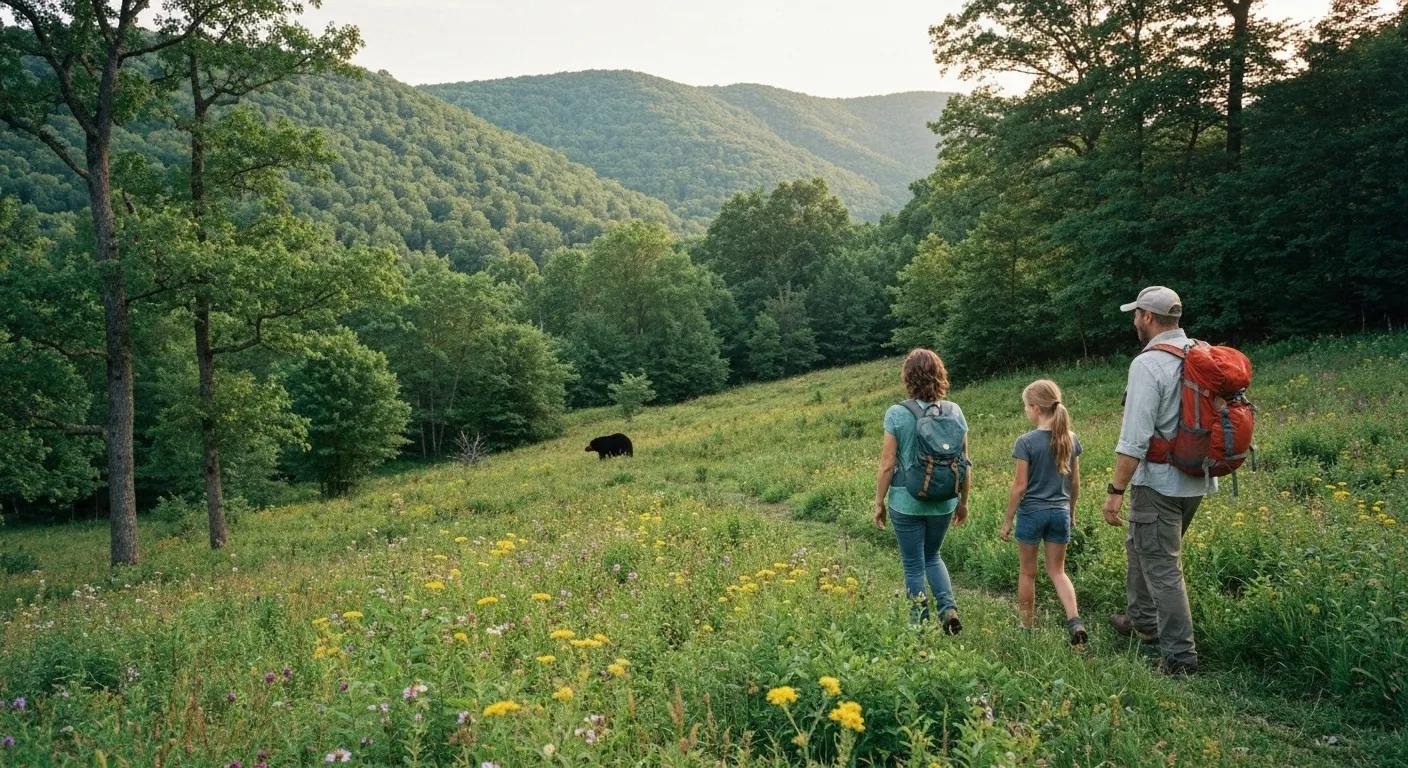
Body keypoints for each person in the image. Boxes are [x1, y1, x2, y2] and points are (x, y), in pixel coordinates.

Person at [1102, 286, 1213, 676]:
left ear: (1148, 317)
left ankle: (1180, 658)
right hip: (1196, 478)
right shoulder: (1201, 351)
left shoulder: (1147, 365)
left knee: (1163, 567)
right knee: (1141, 547)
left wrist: (1115, 492)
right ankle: (1142, 620)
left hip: (1159, 482)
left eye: (1136, 314)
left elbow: (1134, 439)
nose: (1134, 320)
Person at [872, 348, 970, 634]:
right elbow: (965, 462)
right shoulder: (955, 411)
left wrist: (879, 502)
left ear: (908, 378)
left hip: (906, 501)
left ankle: (919, 624)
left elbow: (888, 464)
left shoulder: (897, 414)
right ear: (940, 375)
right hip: (944, 500)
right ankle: (948, 609)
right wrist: (963, 501)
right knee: (933, 556)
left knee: (914, 565)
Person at [999, 379, 1087, 645]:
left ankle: (1026, 626)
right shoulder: (1070, 438)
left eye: (1026, 406)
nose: (1026, 411)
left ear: (1036, 408)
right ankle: (1075, 620)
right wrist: (1071, 512)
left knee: (1028, 573)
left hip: (1031, 515)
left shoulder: (1025, 442)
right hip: (1059, 513)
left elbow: (1019, 487)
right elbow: (1074, 483)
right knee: (1057, 571)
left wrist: (1007, 520)